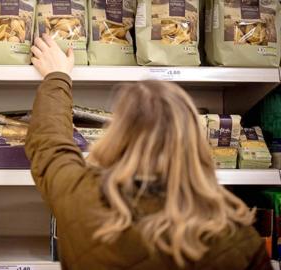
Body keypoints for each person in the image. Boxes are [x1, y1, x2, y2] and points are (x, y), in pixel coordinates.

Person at [25, 34, 271, 270]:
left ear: (115, 137)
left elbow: (50, 145)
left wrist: (57, 76)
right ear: (194, 145)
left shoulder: (81, 198)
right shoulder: (237, 238)